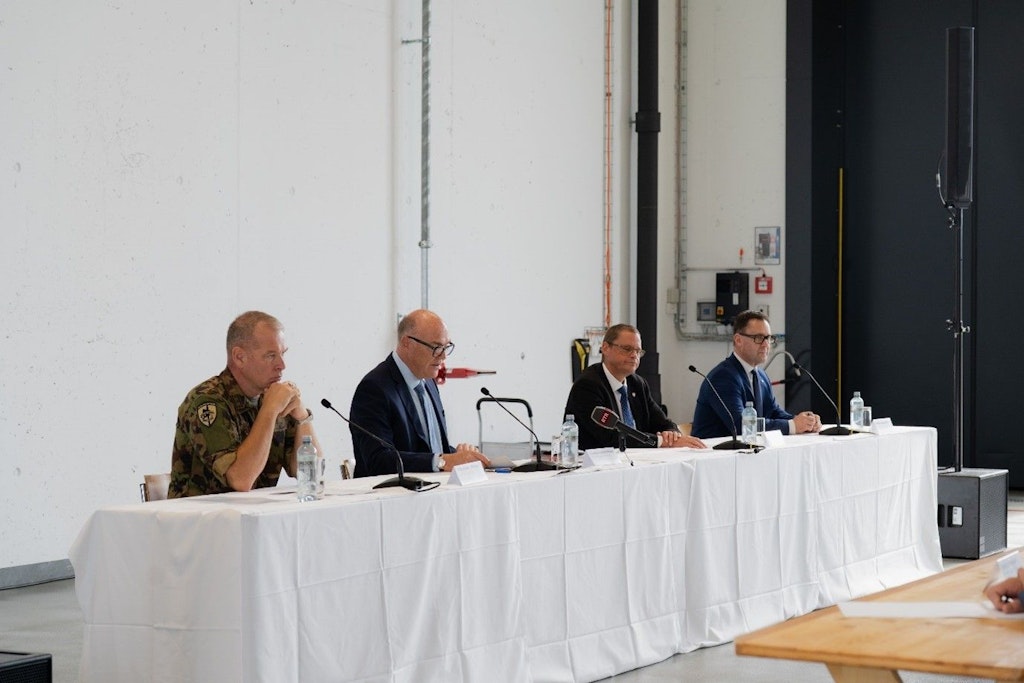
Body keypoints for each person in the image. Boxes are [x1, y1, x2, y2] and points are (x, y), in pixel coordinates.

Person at [169, 311, 321, 498]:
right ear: (239, 357)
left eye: (283, 354)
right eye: (270, 356)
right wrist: (269, 410)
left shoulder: (272, 397)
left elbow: (311, 474)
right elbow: (241, 480)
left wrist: (302, 417)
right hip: (202, 522)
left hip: (252, 519)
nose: (282, 365)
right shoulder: (208, 401)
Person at [350, 309, 490, 476]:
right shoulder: (374, 388)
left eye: (447, 347)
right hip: (393, 497)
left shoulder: (429, 381)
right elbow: (379, 460)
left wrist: (458, 455)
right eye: (436, 347)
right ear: (407, 343)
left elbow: (430, 449)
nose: (443, 356)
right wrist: (443, 461)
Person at [564, 324, 707, 451]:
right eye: (627, 349)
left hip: (636, 462)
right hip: (596, 467)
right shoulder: (588, 385)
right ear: (606, 348)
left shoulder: (637, 384)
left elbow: (662, 422)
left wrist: (671, 433)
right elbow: (611, 437)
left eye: (638, 351)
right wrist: (661, 441)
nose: (634, 355)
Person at [691, 310, 821, 439]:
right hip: (714, 454)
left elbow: (773, 412)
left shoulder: (761, 374)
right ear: (738, 340)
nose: (766, 344)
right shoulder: (723, 377)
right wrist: (792, 426)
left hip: (746, 451)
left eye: (769, 338)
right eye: (759, 338)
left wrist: (805, 422)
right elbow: (742, 425)